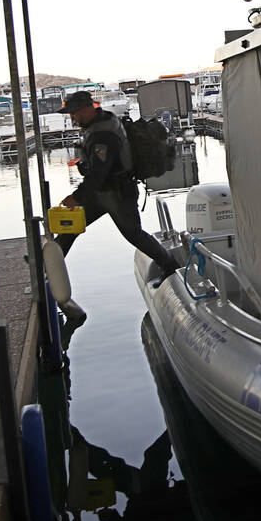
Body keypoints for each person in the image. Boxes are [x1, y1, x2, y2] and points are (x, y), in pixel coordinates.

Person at [55, 91, 179, 345]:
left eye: (77, 112)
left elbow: (100, 172)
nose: (74, 117)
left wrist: (77, 196)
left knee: (133, 234)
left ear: (90, 108)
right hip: (103, 192)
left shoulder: (102, 133)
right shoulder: (100, 123)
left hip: (116, 193)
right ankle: (49, 265)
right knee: (70, 227)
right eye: (71, 114)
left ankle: (170, 265)